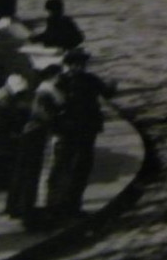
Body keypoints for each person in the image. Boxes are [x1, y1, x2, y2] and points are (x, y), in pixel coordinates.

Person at [44, 48, 115, 221]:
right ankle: (56, 207)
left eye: (81, 64)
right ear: (68, 65)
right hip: (69, 131)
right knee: (64, 168)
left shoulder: (85, 80)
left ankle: (71, 206)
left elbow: (106, 92)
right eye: (75, 64)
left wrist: (112, 85)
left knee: (79, 169)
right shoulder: (61, 82)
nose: (78, 67)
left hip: (84, 131)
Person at [6, 64, 63, 227]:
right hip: (35, 138)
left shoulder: (36, 95)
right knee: (34, 176)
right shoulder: (44, 94)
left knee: (27, 176)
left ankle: (22, 210)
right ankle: (30, 214)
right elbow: (46, 117)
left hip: (31, 137)